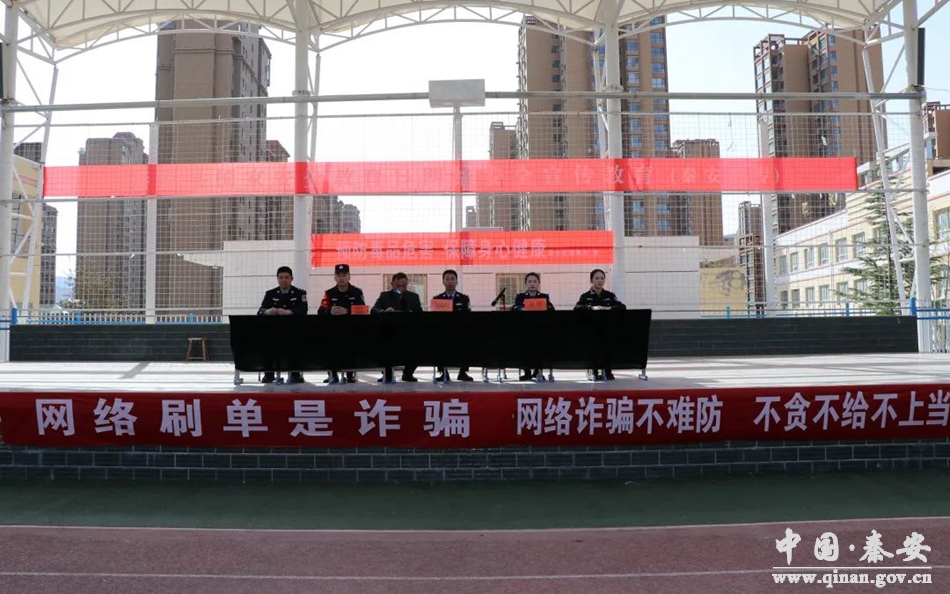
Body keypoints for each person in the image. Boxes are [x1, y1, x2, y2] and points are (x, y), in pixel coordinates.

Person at [257, 266, 308, 384]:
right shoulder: (270, 293)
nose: (283, 280)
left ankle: (295, 374)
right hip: (274, 330)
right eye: (281, 278)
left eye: (286, 277)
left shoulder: (300, 293)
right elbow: (260, 310)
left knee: (295, 348)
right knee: (268, 347)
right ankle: (269, 374)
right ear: (277, 279)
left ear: (291, 279)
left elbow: (303, 310)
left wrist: (289, 312)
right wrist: (267, 311)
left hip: (293, 329)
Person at [574, 268, 626, 381]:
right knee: (593, 350)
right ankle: (593, 371)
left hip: (607, 329)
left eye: (602, 278)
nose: (600, 281)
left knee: (607, 349)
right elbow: (577, 308)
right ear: (591, 280)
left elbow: (622, 307)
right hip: (591, 330)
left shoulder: (610, 295)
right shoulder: (585, 296)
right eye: (597, 278)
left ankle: (607, 371)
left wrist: (609, 308)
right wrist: (592, 308)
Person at [317, 263, 365, 384]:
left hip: (352, 330)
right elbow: (320, 310)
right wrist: (329, 311)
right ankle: (332, 374)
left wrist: (347, 311)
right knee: (328, 347)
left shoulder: (357, 292)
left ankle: (350, 374)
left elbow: (363, 310)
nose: (341, 278)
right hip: (333, 330)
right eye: (339, 275)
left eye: (344, 275)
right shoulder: (329, 293)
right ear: (335, 277)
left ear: (349, 277)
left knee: (351, 349)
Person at [372, 272, 423, 383]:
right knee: (380, 344)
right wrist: (384, 311)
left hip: (408, 332)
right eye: (397, 285)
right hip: (388, 332)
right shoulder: (384, 296)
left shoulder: (413, 297)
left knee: (419, 344)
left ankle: (408, 374)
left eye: (403, 286)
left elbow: (420, 314)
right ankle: (388, 374)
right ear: (391, 284)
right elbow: (374, 310)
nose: (401, 288)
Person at [511, 272, 555, 381]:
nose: (532, 284)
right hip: (525, 329)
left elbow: (551, 309)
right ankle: (526, 372)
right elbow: (514, 308)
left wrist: (545, 307)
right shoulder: (520, 296)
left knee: (539, 349)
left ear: (538, 283)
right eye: (530, 281)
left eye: (535, 281)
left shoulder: (544, 296)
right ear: (526, 283)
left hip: (540, 329)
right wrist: (521, 308)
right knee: (524, 349)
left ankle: (537, 371)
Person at [432, 269, 474, 382]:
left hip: (460, 330)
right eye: (447, 279)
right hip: (443, 331)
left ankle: (463, 372)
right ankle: (443, 372)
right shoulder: (437, 298)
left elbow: (468, 315)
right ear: (443, 281)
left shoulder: (464, 298)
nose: (450, 281)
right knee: (438, 342)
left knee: (467, 341)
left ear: (456, 281)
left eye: (452, 279)